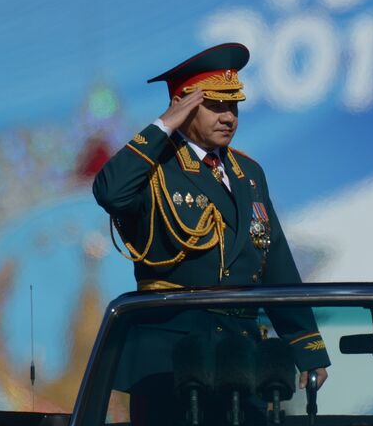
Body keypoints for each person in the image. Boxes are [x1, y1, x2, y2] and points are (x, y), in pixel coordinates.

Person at [92, 42, 329, 386]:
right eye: (215, 105)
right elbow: (110, 192)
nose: (229, 116)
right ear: (181, 107)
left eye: (233, 105)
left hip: (242, 355)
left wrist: (306, 347)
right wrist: (162, 126)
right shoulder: (155, 168)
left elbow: (276, 263)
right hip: (171, 359)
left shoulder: (248, 172)